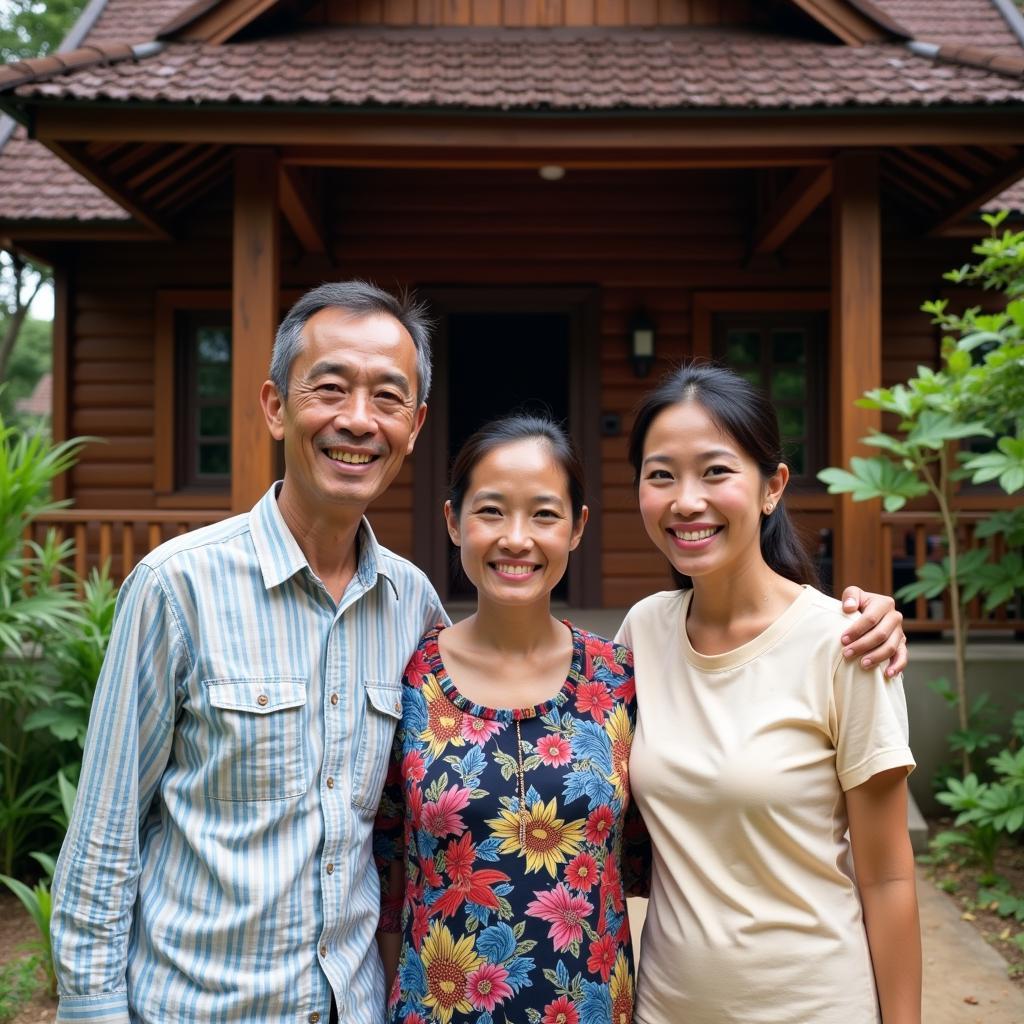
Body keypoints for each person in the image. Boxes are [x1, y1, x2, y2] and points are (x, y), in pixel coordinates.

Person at [375, 413, 908, 1024]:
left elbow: (882, 871)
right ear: (453, 521)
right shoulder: (415, 677)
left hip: (620, 1007)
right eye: (491, 511)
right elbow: (389, 870)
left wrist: (865, 617)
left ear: (578, 529)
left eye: (545, 514)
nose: (516, 538)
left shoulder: (613, 674)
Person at [49, 281, 447, 1024]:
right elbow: (104, 838)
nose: (357, 420)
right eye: (329, 388)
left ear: (415, 424)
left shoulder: (414, 605)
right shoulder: (177, 587)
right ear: (274, 406)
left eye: (388, 398)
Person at [619, 362, 920, 1023]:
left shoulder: (846, 644)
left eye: (716, 471)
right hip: (667, 1008)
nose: (686, 500)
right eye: (661, 474)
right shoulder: (643, 633)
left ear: (771, 486)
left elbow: (889, 877)